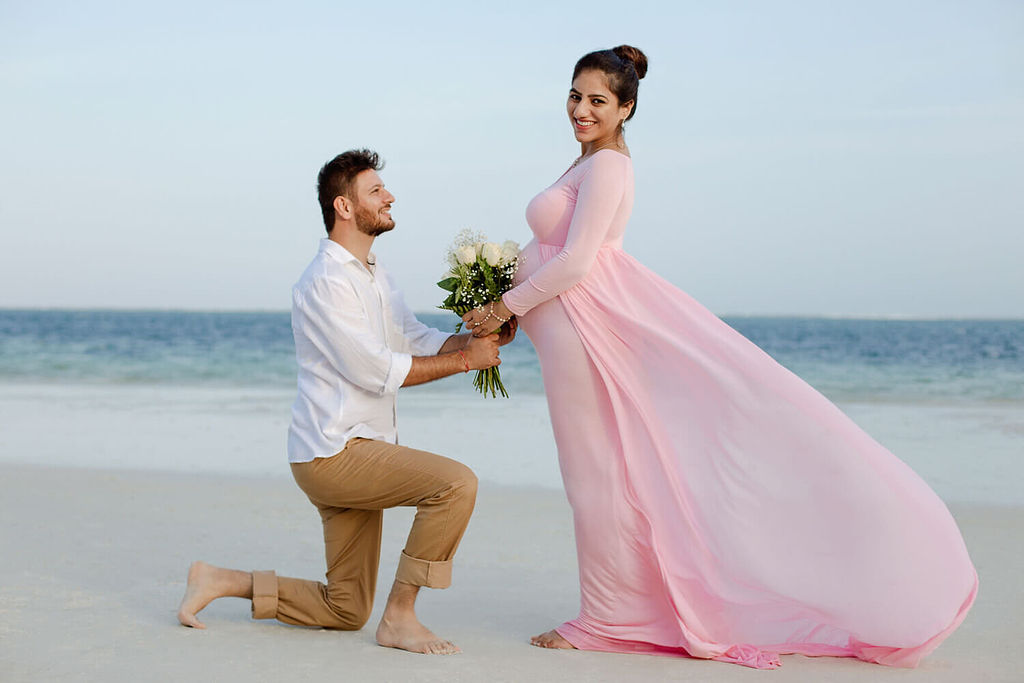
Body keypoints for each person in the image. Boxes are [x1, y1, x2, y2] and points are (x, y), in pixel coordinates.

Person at [463, 46, 977, 669]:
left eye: (597, 100)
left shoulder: (609, 169)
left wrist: (502, 307)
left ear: (626, 108)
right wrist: (514, 305)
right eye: (575, 96)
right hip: (568, 327)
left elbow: (577, 261)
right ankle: (616, 610)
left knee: (595, 476)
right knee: (595, 475)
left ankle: (606, 620)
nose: (581, 109)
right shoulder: (588, 163)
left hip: (583, 327)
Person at [178, 149, 513, 655]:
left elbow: (413, 338)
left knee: (345, 609)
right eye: (376, 191)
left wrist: (472, 343)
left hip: (355, 447)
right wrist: (468, 363)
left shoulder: (373, 273)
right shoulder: (326, 282)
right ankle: (400, 617)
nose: (390, 196)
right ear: (345, 207)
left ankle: (221, 580)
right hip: (334, 452)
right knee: (455, 484)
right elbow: (376, 370)